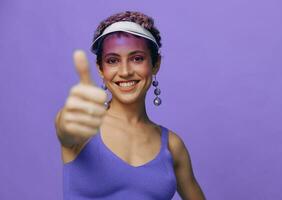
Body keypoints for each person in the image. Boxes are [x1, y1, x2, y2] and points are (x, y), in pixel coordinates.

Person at [55, 11, 206, 200]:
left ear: (155, 63)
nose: (125, 71)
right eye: (112, 61)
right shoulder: (83, 125)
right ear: (100, 69)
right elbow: (66, 129)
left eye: (137, 59)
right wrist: (69, 118)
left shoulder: (172, 146)